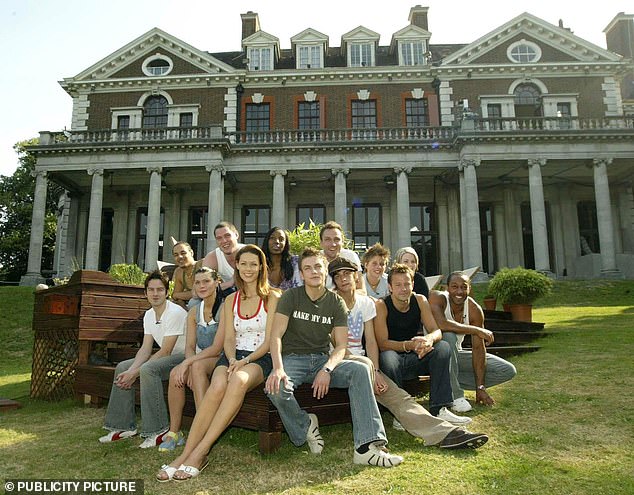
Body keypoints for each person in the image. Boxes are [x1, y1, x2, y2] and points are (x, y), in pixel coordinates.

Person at [329, 257, 488, 449]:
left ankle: (446, 431)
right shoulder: (329, 303)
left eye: (348, 274)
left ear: (356, 276)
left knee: (401, 398)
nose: (343, 279)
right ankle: (439, 433)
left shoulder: (366, 303)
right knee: (393, 379)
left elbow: (370, 341)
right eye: (338, 276)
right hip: (344, 363)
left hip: (366, 363)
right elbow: (342, 346)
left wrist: (375, 371)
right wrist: (373, 368)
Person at [265, 247, 403, 468]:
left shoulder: (335, 302)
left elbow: (340, 346)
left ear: (325, 270)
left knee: (359, 370)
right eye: (307, 268)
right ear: (301, 274)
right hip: (293, 359)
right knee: (276, 387)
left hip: (322, 358)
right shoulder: (291, 297)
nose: (313, 272)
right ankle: (305, 425)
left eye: (318, 266)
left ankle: (366, 447)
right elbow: (276, 335)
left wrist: (327, 369)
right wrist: (278, 368)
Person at [156, 245, 280, 482]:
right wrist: (232, 358)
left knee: (238, 381)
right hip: (232, 356)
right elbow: (229, 339)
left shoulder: (272, 297)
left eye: (254, 264)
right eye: (243, 264)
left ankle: (201, 452)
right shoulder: (231, 299)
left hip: (258, 358)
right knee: (217, 386)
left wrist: (243, 362)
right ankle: (185, 454)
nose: (248, 269)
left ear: (262, 267)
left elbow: (269, 341)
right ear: (237, 266)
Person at [99, 270, 187, 448]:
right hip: (166, 357)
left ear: (166, 292)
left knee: (148, 370)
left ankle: (158, 430)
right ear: (145, 292)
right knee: (123, 367)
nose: (155, 294)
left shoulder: (175, 312)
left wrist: (137, 372)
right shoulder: (148, 315)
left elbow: (166, 351)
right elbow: (146, 349)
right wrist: (131, 371)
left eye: (160, 290)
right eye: (151, 290)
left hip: (183, 358)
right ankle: (122, 426)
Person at [374, 264, 471, 426]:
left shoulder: (420, 300)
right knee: (388, 357)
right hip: (392, 361)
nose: (403, 288)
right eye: (398, 285)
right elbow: (382, 343)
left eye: (407, 284)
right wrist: (409, 345)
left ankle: (439, 408)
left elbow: (436, 331)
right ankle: (401, 413)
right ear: (390, 287)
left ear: (413, 284)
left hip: (416, 357)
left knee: (443, 347)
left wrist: (428, 340)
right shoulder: (381, 305)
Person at [429, 271, 517, 412]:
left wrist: (480, 386)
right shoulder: (436, 297)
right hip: (430, 355)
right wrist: (476, 330)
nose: (459, 291)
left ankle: (443, 381)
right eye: (454, 286)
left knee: (506, 370)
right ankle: (456, 396)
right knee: (449, 337)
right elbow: (442, 324)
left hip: (456, 354)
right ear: (447, 288)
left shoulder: (474, 310)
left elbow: (478, 349)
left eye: (464, 287)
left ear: (470, 289)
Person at [158, 267, 224, 451]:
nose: (202, 286)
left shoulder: (225, 306)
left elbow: (217, 348)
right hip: (201, 357)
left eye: (206, 281)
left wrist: (189, 363)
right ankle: (175, 431)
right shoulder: (194, 311)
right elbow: (189, 346)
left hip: (222, 357)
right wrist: (188, 362)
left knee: (194, 369)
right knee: (175, 374)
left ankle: (201, 430)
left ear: (217, 282)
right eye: (197, 282)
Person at [319, 220, 364, 291]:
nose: (333, 244)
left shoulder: (350, 256)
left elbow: (362, 290)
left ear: (342, 242)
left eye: (336, 239)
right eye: (328, 240)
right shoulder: (315, 260)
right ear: (321, 243)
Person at [202, 221, 245, 293]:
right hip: (229, 294)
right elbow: (199, 289)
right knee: (194, 302)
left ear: (237, 235)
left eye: (227, 235)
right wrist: (230, 283)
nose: (224, 241)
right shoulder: (213, 257)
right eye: (219, 238)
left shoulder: (250, 252)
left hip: (253, 294)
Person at [261, 226, 302, 290]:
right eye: (272, 238)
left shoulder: (295, 262)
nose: (277, 241)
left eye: (281, 239)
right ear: (266, 241)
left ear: (286, 243)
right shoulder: (259, 264)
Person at [171, 241, 198, 309]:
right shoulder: (179, 272)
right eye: (176, 255)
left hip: (210, 303)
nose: (180, 257)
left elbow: (199, 293)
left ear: (191, 253)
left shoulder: (201, 265)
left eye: (183, 253)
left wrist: (178, 295)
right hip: (190, 309)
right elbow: (175, 296)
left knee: (193, 302)